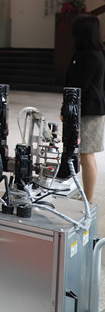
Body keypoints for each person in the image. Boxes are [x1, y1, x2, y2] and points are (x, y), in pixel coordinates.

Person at [65, 13, 105, 202]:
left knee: (86, 155)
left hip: (89, 111)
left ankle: (87, 199)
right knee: (87, 155)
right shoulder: (89, 53)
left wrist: (66, 110)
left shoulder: (90, 56)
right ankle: (87, 197)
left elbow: (77, 86)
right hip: (89, 110)